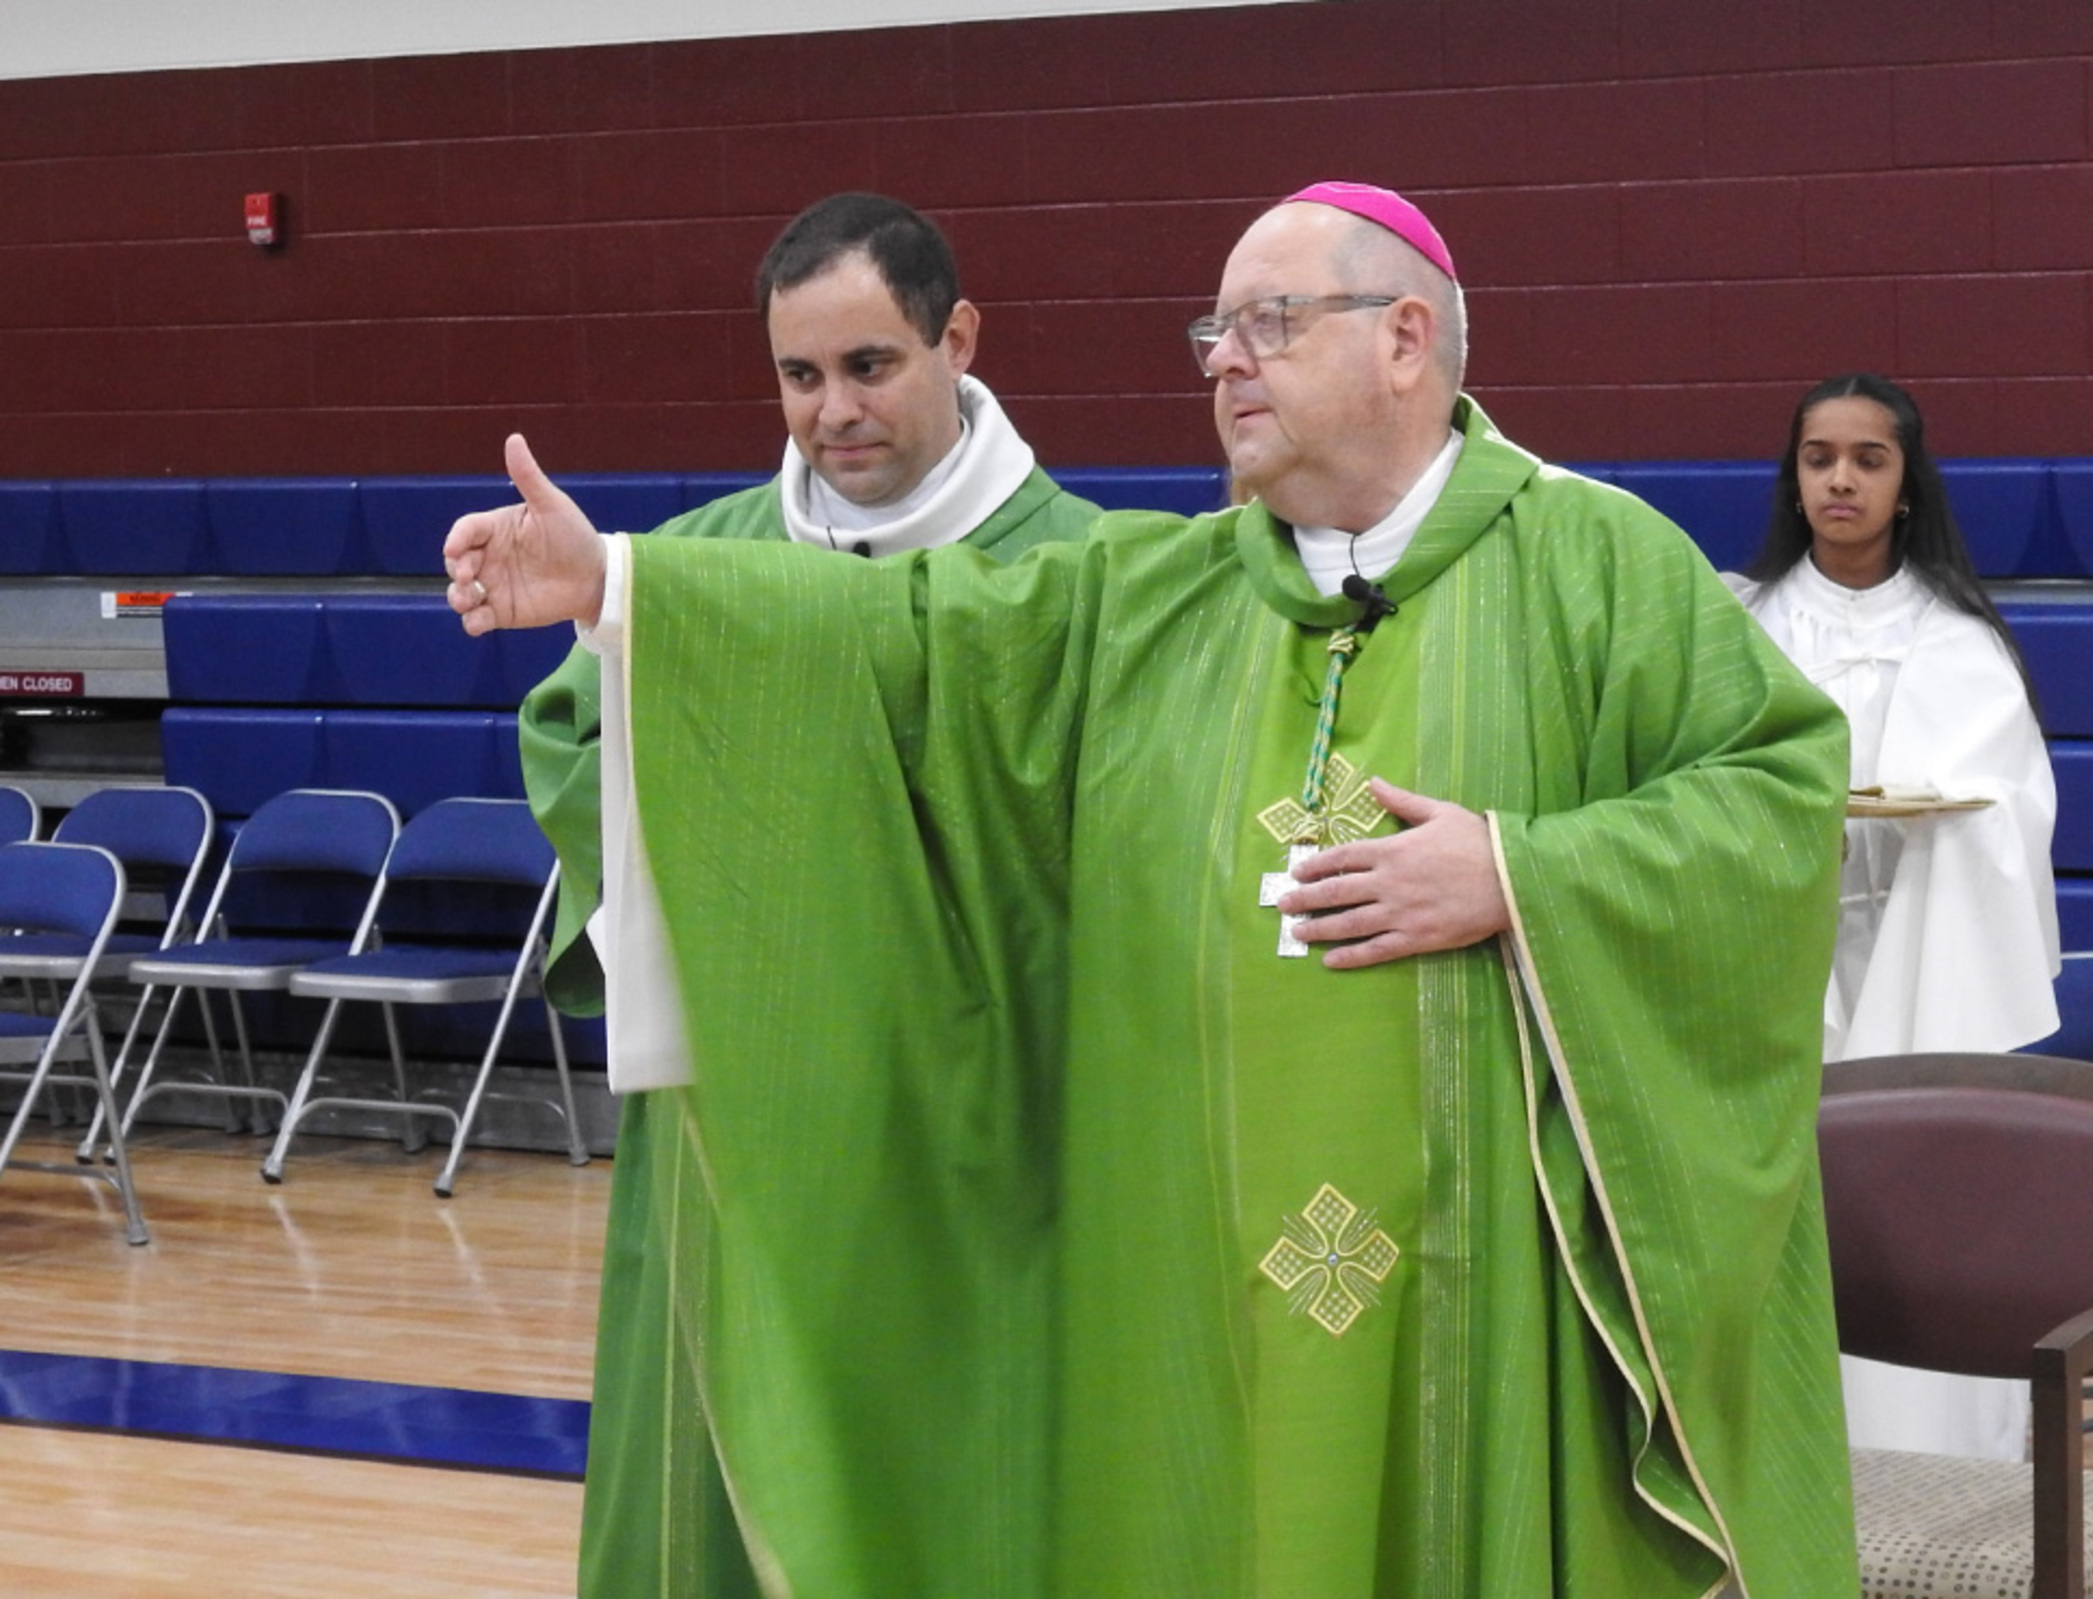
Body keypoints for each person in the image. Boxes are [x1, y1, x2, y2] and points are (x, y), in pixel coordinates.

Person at [452, 182, 1860, 1597]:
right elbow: (911, 637)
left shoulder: (1594, 561)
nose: (1224, 359)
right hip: (1191, 1275)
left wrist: (1520, 870)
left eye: (1272, 321)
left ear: (1404, 338)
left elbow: (1776, 793)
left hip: (1483, 1283)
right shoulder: (1151, 593)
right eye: (1214, 332)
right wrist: (616, 587)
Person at [512, 191, 1101, 1594]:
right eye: (798, 373)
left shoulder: (1082, 568)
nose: (832, 411)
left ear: (957, 338)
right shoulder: (684, 570)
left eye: (869, 365)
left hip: (974, 1134)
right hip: (738, 1112)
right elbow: (571, 741)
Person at [1725, 373, 2059, 1463]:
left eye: (1868, 459)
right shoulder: (1743, 628)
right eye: (1819, 457)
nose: (1841, 480)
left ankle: (1939, 1456)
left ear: (1906, 482)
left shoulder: (1959, 638)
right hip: (1785, 961)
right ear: (1794, 476)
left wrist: (1940, 820)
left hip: (1924, 952)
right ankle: (1786, 1461)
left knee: (1923, 1200)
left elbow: (2015, 805)